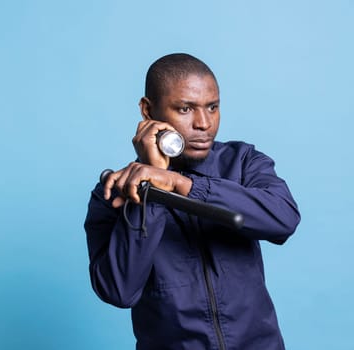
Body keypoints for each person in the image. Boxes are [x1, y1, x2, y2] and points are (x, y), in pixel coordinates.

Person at [83, 53, 300, 350]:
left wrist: (182, 184)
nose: (203, 124)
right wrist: (153, 187)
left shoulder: (243, 162)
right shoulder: (115, 191)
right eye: (185, 108)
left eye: (213, 107)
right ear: (148, 111)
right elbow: (119, 291)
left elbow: (284, 220)